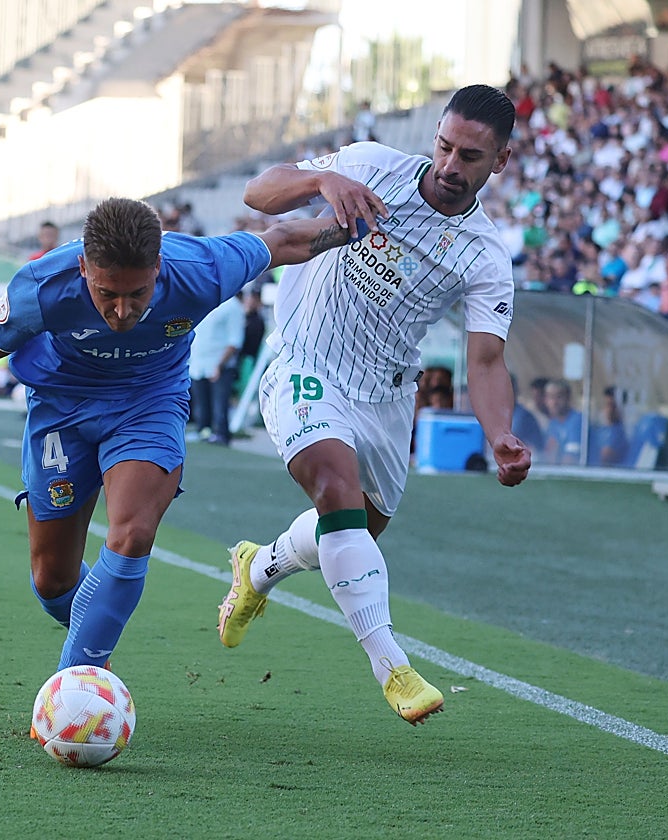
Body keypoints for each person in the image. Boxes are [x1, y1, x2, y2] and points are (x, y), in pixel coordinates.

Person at [0, 198, 356, 683]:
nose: (122, 311)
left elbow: (282, 239)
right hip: (61, 406)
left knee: (132, 533)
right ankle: (95, 646)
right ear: (83, 267)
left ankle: (77, 685)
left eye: (138, 293)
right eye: (106, 293)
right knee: (53, 581)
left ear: (158, 266)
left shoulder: (202, 268)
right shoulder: (42, 286)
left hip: (148, 402)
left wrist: (370, 223)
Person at [216, 85, 532, 726]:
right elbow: (258, 193)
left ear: (500, 160)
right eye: (444, 146)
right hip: (306, 361)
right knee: (336, 494)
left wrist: (499, 432)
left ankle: (259, 568)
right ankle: (393, 667)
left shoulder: (485, 255)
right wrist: (323, 180)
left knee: (352, 529)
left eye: (470, 156)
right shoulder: (369, 165)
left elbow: (486, 361)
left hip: (387, 397)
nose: (449, 165)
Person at [188, 290, 245, 445]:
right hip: (198, 364)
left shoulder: (232, 306)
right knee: (200, 404)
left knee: (220, 405)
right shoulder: (203, 300)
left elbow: (235, 341)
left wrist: (220, 365)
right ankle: (203, 431)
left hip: (219, 365)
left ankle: (221, 434)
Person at [542, 378, 584, 465]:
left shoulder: (577, 421)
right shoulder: (553, 424)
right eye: (551, 397)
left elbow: (571, 460)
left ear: (568, 398)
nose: (554, 402)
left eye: (559, 397)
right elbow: (548, 455)